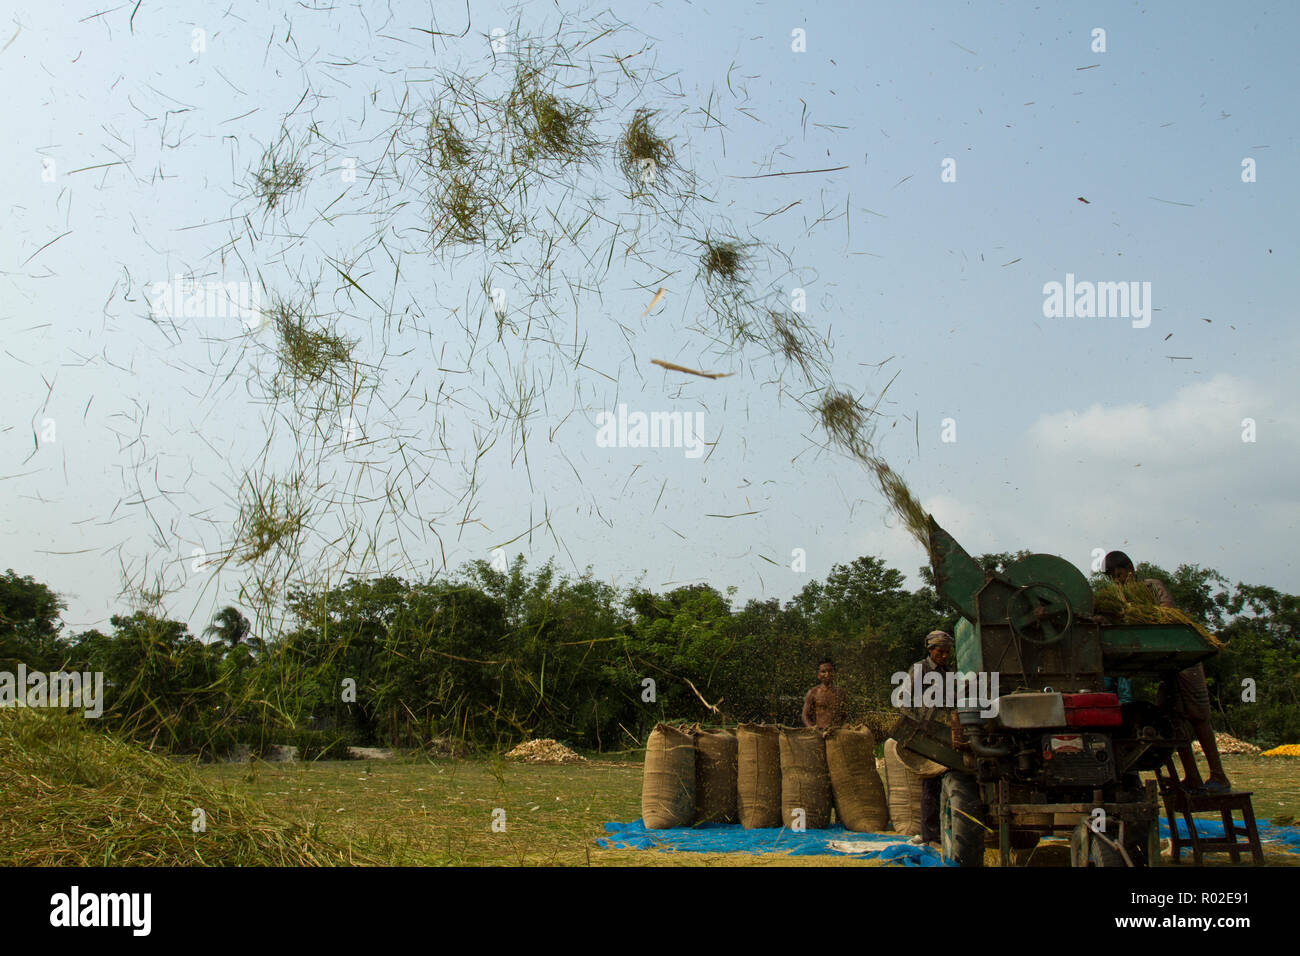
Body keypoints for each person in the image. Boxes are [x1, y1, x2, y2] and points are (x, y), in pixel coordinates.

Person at [1102, 551, 1231, 795]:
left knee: (1198, 716)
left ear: (1129, 569)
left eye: (1119, 575)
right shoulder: (1120, 598)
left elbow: (1168, 614)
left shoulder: (1151, 587)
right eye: (1113, 579)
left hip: (1186, 660)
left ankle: (1219, 776)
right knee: (1172, 719)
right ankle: (1192, 776)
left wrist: (1135, 613)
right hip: (1168, 669)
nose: (1117, 581)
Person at [898, 630, 955, 847]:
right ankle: (929, 834)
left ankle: (942, 831)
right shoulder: (919, 669)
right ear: (930, 650)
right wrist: (916, 724)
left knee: (947, 781)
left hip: (944, 732)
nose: (944, 656)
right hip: (925, 733)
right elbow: (905, 698)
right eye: (940, 651)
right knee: (930, 784)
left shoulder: (948, 671)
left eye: (948, 652)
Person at [801, 658, 847, 729]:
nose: (827, 674)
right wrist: (811, 728)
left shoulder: (840, 693)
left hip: (837, 732)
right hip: (820, 732)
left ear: (834, 673)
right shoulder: (813, 692)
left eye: (830, 671)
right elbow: (804, 715)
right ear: (818, 675)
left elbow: (844, 715)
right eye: (823, 671)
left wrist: (842, 727)